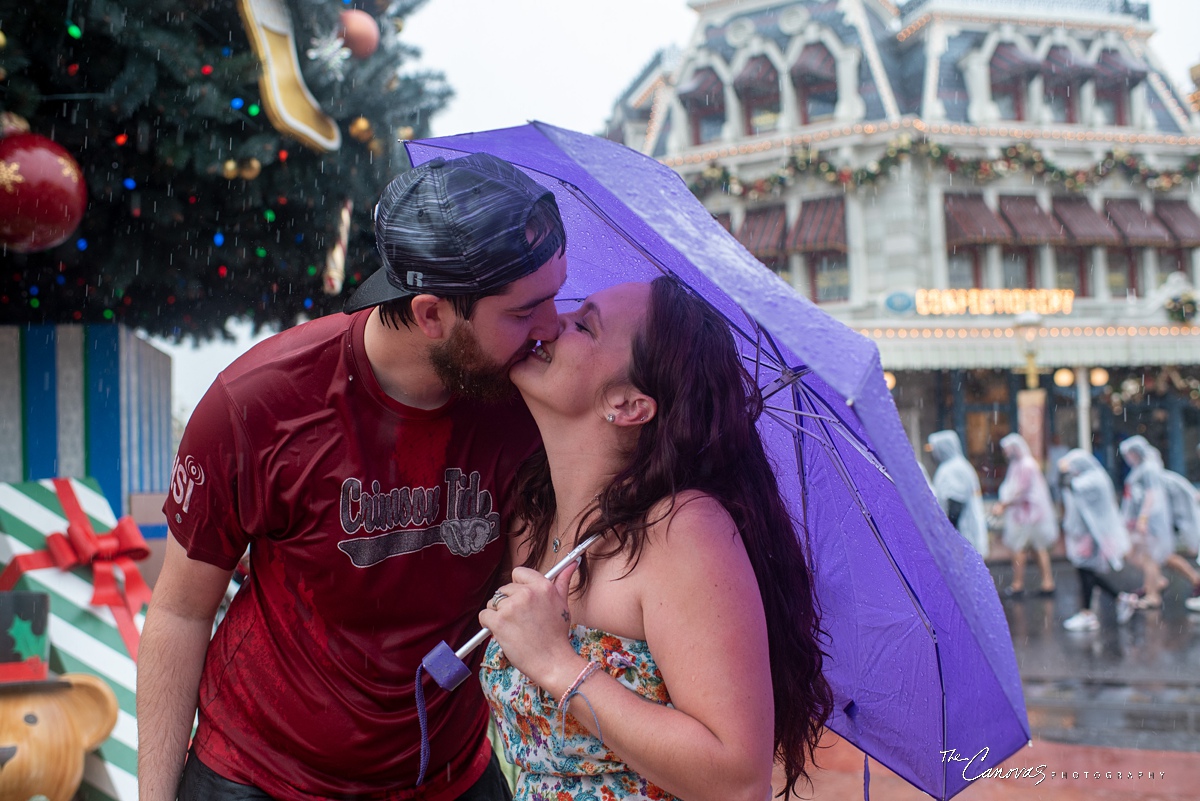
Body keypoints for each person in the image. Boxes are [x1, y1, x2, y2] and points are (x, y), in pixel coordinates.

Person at [137, 153, 569, 801]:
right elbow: (178, 610)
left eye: (557, 298)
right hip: (261, 774)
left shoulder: (527, 403)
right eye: (524, 311)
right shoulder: (259, 404)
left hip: (447, 773)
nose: (553, 326)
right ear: (430, 314)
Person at [476, 278, 832, 801]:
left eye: (585, 326)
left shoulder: (682, 530)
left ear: (627, 405)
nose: (554, 322)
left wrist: (558, 663)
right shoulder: (528, 518)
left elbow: (738, 781)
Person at [1118, 435, 1200, 609]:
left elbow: (1151, 494)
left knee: (1152, 557)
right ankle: (1157, 585)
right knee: (1155, 556)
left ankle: (1154, 592)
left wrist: (1143, 518)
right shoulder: (1142, 468)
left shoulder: (1148, 469)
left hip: (1151, 523)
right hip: (1145, 522)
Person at [1058, 449, 1133, 631]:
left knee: (1086, 572)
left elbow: (1068, 484)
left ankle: (1090, 612)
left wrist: (1062, 470)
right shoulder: (1094, 477)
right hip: (1088, 534)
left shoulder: (1092, 480)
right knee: (1087, 572)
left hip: (1091, 535)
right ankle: (1116, 600)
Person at [993, 433, 1058, 598]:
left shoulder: (1026, 466)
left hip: (1028, 516)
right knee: (1037, 548)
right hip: (1027, 515)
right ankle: (1047, 582)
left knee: (1021, 549)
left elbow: (1020, 491)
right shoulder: (1020, 465)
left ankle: (1018, 584)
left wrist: (1003, 505)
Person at [928, 430, 989, 558]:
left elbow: (955, 504)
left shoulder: (952, 469)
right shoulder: (959, 465)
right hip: (966, 533)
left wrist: (950, 535)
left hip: (963, 533)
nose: (933, 454)